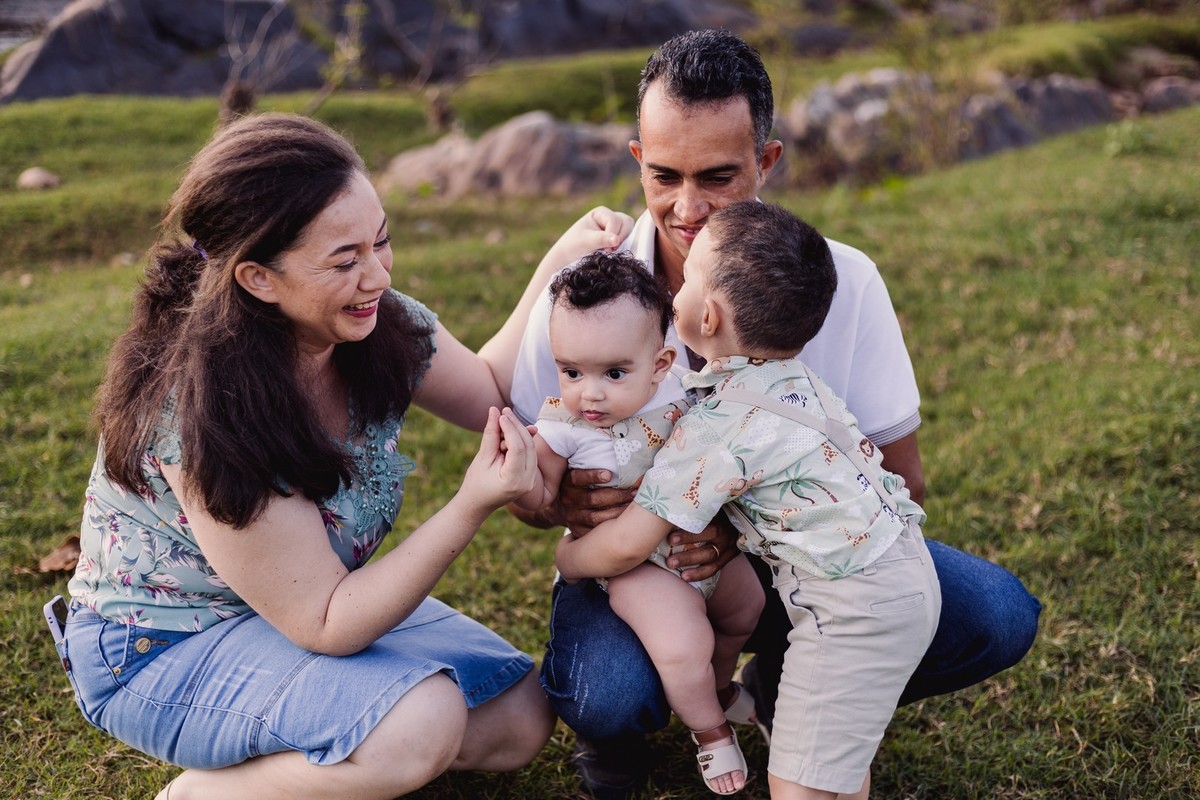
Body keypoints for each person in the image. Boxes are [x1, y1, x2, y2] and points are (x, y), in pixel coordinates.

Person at [508, 28, 1042, 798]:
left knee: (994, 616)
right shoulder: (585, 291)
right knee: (607, 692)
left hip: (799, 558)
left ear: (767, 161)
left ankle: (791, 688)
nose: (687, 208)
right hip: (632, 566)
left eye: (718, 176)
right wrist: (561, 503)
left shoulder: (839, 279)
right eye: (664, 176)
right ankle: (625, 732)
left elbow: (904, 478)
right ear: (637, 160)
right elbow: (531, 483)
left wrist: (735, 524)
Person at [46, 112, 629, 800]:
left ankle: (334, 751)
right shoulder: (206, 409)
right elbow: (327, 621)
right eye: (345, 261)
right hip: (164, 648)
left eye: (380, 241)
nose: (376, 275)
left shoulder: (374, 322)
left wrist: (557, 267)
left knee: (518, 718)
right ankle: (200, 794)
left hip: (296, 605)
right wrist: (472, 502)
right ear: (258, 278)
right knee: (420, 724)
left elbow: (490, 391)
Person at [558, 200, 941, 799]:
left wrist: (570, 560)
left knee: (796, 781)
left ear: (706, 316)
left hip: (848, 607)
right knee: (833, 761)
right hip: (905, 570)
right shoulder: (798, 380)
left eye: (686, 281)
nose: (676, 290)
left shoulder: (714, 426)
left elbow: (631, 541)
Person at [514, 250, 765, 795]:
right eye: (571, 371)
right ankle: (710, 732)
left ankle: (720, 687)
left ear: (660, 363)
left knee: (746, 608)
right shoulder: (564, 425)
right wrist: (524, 475)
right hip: (634, 565)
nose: (590, 392)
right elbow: (539, 498)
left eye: (613, 373)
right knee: (682, 644)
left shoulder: (687, 391)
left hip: (702, 542)